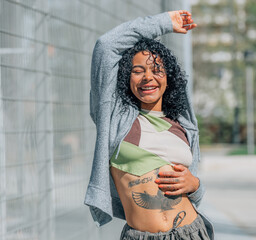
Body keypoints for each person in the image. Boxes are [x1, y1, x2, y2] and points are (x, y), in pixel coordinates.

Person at [84, 10, 214, 239]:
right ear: (126, 77)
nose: (147, 77)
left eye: (156, 70)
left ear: (168, 77)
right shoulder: (115, 116)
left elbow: (193, 191)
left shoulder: (182, 124)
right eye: (137, 71)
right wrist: (163, 23)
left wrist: (195, 185)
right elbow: (105, 46)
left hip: (192, 232)